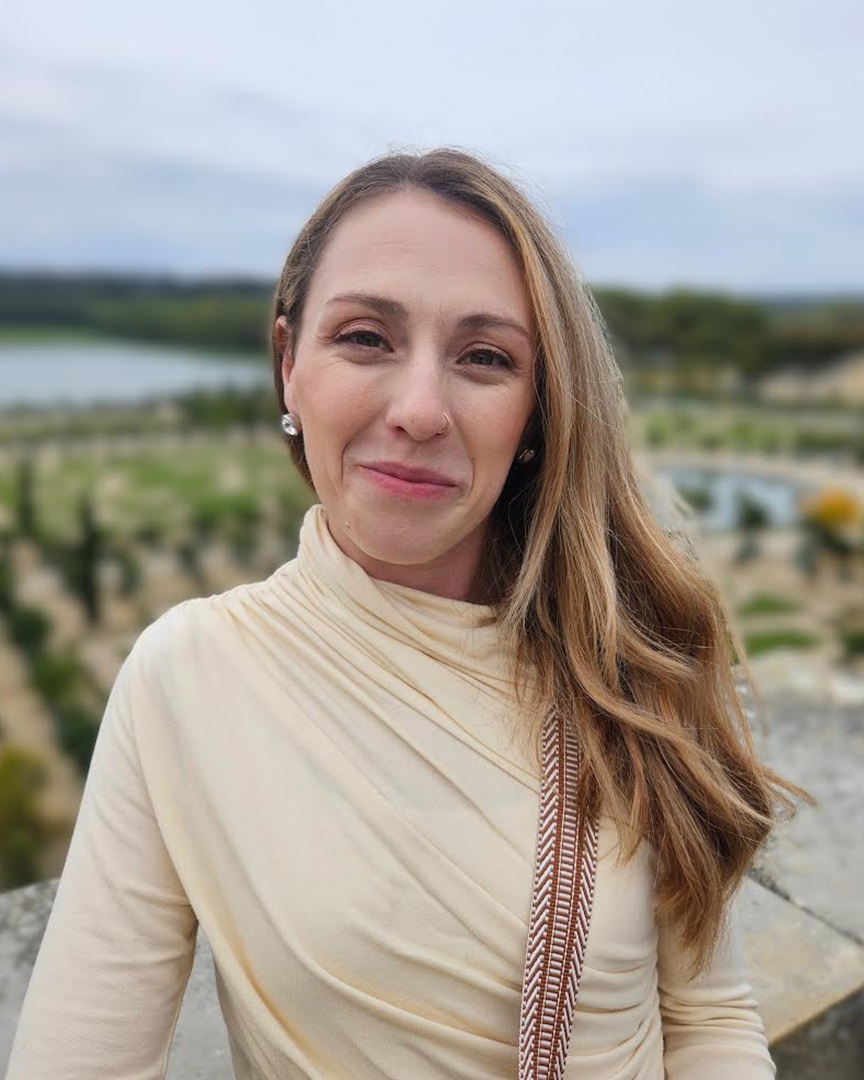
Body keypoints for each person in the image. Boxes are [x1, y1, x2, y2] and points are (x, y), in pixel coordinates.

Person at [6, 148, 801, 1079]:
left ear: (537, 411)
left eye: (485, 357)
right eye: (366, 339)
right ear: (288, 364)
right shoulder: (186, 678)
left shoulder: (628, 662)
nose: (421, 409)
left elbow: (709, 1019)